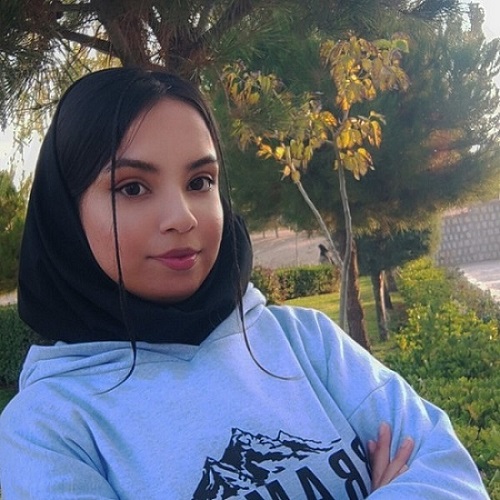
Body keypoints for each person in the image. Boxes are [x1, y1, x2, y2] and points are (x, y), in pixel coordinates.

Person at [0, 68, 488, 499]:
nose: (182, 217)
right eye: (132, 188)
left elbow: (449, 472)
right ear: (66, 214)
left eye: (200, 182)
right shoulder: (49, 429)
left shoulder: (306, 342)